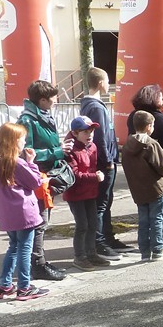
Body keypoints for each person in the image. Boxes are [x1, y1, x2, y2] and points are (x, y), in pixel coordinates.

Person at [0, 122, 50, 301]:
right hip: (23, 212)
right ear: (13, 141)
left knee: (14, 247)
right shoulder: (16, 162)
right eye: (22, 139)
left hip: (6, 213)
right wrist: (31, 163)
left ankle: (5, 285)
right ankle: (24, 287)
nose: (24, 142)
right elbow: (34, 182)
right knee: (25, 248)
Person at [18, 80, 72, 281]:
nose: (55, 100)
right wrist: (57, 151)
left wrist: (59, 150)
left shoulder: (42, 116)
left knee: (42, 221)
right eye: (53, 97)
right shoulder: (28, 120)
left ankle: (39, 261)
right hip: (37, 177)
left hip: (46, 176)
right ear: (42, 100)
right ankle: (37, 265)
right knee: (40, 222)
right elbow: (27, 153)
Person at [80, 67, 130, 258]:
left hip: (104, 160)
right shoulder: (96, 107)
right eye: (108, 81)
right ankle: (99, 242)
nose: (109, 85)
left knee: (106, 202)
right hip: (104, 163)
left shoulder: (92, 105)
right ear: (101, 83)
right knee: (101, 204)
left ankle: (108, 237)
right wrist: (108, 160)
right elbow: (100, 136)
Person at [127, 84, 163, 247]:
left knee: (145, 213)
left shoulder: (133, 116)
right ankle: (159, 242)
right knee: (159, 210)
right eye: (159, 95)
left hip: (139, 169)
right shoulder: (158, 118)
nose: (162, 98)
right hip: (159, 167)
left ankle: (146, 243)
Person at [121, 110, 163, 261]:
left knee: (143, 221)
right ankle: (157, 250)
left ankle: (144, 252)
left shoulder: (127, 144)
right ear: (149, 126)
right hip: (156, 188)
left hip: (138, 189)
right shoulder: (151, 144)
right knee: (156, 219)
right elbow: (162, 167)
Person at [63, 116, 109, 271]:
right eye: (85, 132)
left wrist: (96, 176)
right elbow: (74, 175)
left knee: (93, 224)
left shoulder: (92, 146)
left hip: (90, 191)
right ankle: (80, 257)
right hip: (75, 193)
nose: (89, 135)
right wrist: (94, 177)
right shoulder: (71, 150)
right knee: (82, 225)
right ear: (75, 133)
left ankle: (91, 253)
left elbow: (92, 167)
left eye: (91, 131)